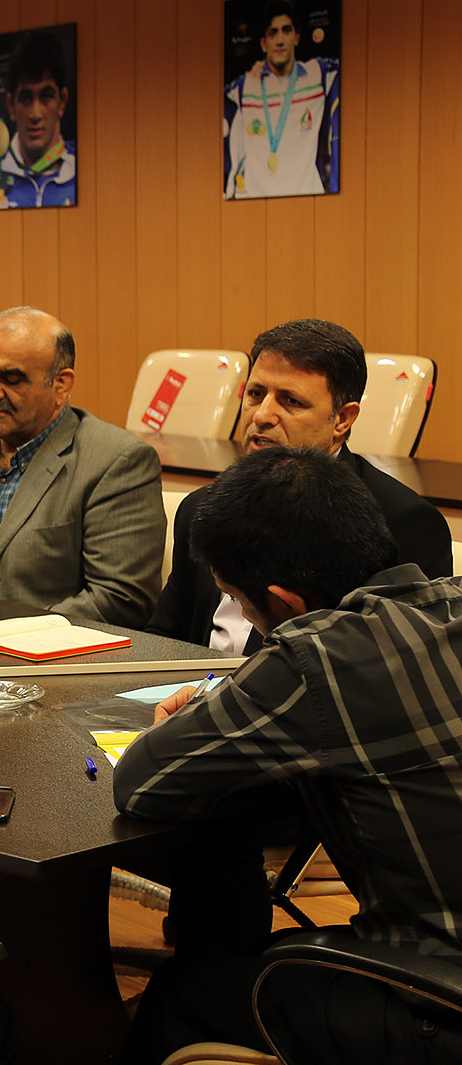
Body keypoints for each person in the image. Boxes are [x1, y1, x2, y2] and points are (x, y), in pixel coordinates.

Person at [114, 448, 462, 1065]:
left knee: (181, 995)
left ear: (286, 602)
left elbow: (141, 782)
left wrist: (205, 712)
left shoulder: (316, 657)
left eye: (238, 601)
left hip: (440, 1003)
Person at [147, 319, 451, 653]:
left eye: (290, 401)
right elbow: (164, 640)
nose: (262, 415)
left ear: (342, 419)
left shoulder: (405, 523)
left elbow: (404, 664)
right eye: (256, 394)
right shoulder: (201, 508)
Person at [0, 307, 164, 628]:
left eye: (11, 379)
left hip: (33, 649)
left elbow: (120, 599)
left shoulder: (117, 462)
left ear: (61, 384)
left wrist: (9, 635)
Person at [224, 0, 340, 199]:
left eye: (286, 30)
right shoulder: (245, 86)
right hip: (253, 203)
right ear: (263, 43)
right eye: (272, 32)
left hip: (308, 199)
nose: (279, 40)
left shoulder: (318, 74)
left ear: (297, 37)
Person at [0, 30, 76, 209]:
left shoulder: (83, 169)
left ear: (62, 102)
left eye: (46, 96)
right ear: (11, 106)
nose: (35, 114)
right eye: (26, 98)